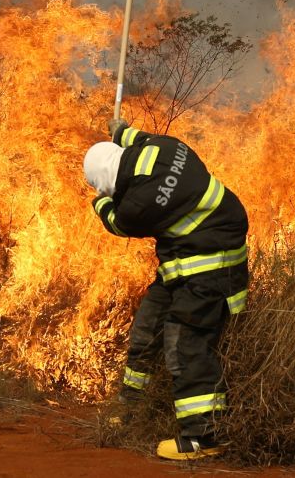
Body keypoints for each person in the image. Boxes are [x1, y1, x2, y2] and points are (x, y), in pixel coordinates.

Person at [83, 118, 249, 461]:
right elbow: (133, 135)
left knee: (184, 343)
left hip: (209, 264)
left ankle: (204, 437)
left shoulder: (137, 207)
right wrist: (118, 130)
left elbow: (116, 222)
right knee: (147, 325)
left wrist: (99, 201)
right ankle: (131, 406)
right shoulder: (166, 146)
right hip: (185, 257)